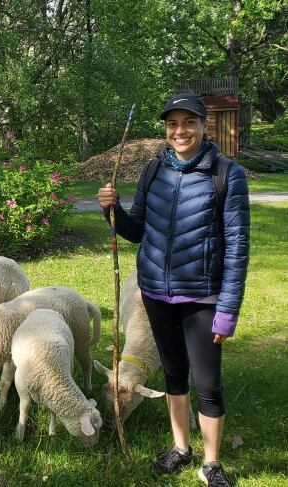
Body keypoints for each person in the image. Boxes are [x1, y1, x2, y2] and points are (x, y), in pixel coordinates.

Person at [97, 93, 249, 487]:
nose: (179, 131)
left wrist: (228, 308)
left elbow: (237, 246)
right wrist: (111, 211)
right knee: (175, 375)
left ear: (203, 126)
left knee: (208, 384)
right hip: (155, 293)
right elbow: (135, 231)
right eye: (172, 124)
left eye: (188, 122)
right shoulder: (153, 170)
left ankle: (212, 464)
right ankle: (181, 449)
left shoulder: (226, 174)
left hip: (202, 295)